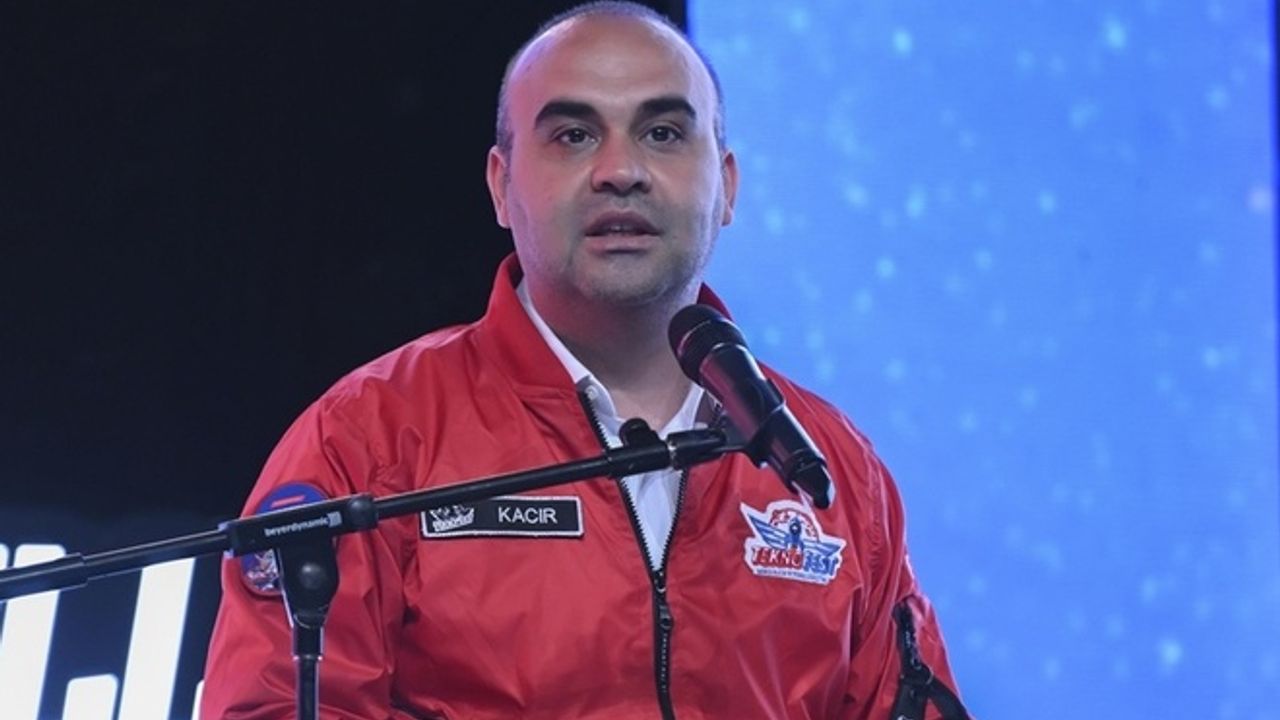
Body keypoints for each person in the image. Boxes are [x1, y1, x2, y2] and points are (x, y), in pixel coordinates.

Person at [200, 2, 967, 718]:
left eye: (662, 133)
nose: (620, 170)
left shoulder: (833, 468)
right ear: (501, 187)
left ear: (727, 187)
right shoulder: (367, 440)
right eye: (573, 135)